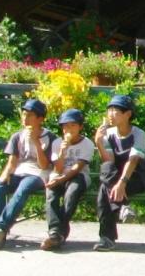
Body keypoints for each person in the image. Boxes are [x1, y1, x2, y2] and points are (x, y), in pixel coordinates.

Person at [0, 98, 55, 248]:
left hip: (38, 174)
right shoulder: (17, 136)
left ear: (40, 119)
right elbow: (12, 162)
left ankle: (0, 227)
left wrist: (36, 142)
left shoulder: (49, 137)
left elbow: (44, 165)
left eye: (30, 115)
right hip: (19, 172)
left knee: (23, 189)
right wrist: (4, 176)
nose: (25, 118)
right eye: (24, 114)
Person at [94, 94, 145, 251]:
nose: (111, 114)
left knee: (104, 191)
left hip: (136, 177)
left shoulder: (139, 134)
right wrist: (99, 142)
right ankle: (123, 206)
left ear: (128, 114)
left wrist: (121, 183)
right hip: (115, 177)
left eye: (116, 111)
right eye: (109, 110)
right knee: (106, 170)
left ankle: (107, 238)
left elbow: (133, 160)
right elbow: (109, 161)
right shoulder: (109, 134)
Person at [42, 107, 96, 250]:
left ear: (80, 127)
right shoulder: (57, 143)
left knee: (71, 194)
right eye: (65, 126)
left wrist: (60, 180)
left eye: (73, 125)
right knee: (51, 194)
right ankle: (55, 232)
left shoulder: (87, 144)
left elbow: (77, 168)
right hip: (59, 174)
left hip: (78, 176)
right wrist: (62, 151)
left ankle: (57, 234)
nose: (69, 129)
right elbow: (58, 169)